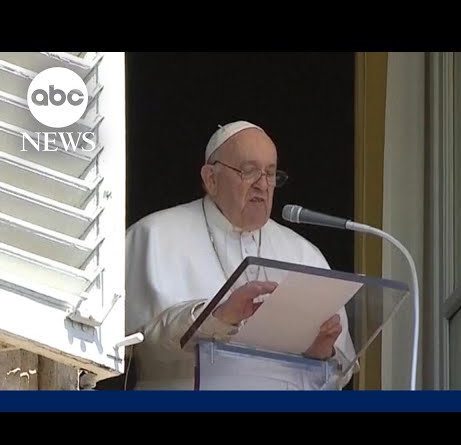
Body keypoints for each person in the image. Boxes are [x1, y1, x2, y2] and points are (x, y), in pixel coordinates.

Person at [123, 120, 357, 390]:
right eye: (249, 171)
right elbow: (129, 345)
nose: (263, 185)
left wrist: (319, 355)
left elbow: (339, 373)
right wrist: (217, 318)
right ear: (211, 179)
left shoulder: (303, 254)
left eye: (270, 174)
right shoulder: (153, 235)